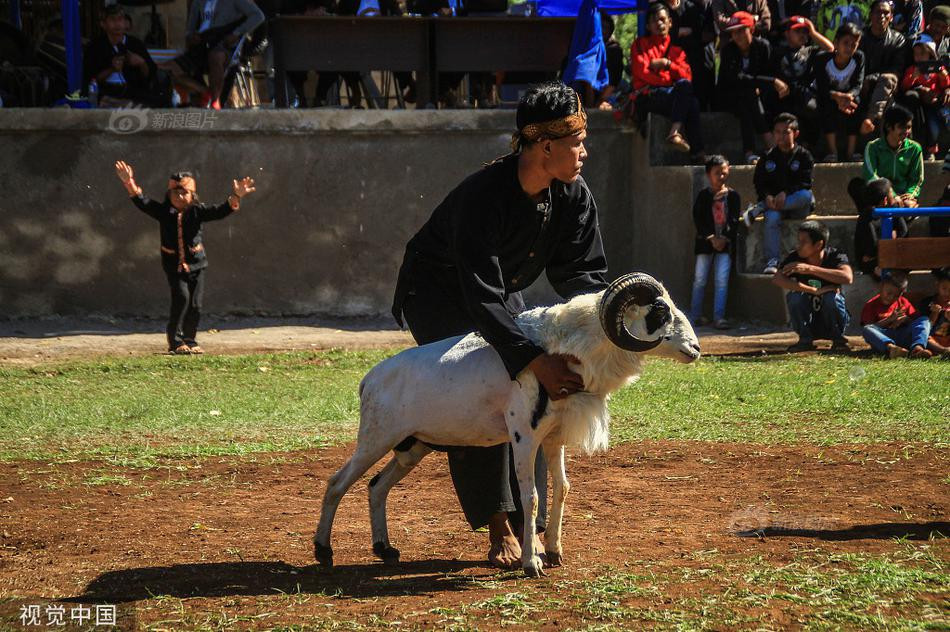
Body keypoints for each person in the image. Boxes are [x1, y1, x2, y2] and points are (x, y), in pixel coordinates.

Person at [390, 82, 608, 569]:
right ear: (545, 146)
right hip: (439, 289)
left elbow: (584, 276)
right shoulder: (482, 198)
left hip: (496, 288)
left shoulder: (573, 195)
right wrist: (532, 358)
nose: (583, 151)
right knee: (485, 389)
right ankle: (501, 526)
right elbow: (479, 294)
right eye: (575, 141)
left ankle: (526, 521)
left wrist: (583, 338)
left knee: (529, 391)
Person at [114, 161, 256, 354]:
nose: (180, 196)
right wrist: (128, 182)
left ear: (192, 195)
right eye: (175, 193)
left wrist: (237, 195)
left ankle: (190, 340)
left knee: (195, 304)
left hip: (197, 264)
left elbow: (221, 210)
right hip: (173, 264)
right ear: (169, 194)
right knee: (181, 298)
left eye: (184, 193)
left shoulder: (197, 212)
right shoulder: (164, 212)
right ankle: (175, 342)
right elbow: (142, 201)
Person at [630, 2, 705, 158]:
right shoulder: (639, 45)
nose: (659, 23)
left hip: (671, 94)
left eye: (663, 19)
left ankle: (676, 133)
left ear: (670, 23)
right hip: (648, 96)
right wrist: (670, 79)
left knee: (691, 98)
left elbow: (687, 76)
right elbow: (643, 73)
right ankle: (694, 149)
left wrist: (667, 64)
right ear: (648, 26)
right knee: (688, 99)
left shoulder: (677, 49)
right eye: (654, 20)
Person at [743, 112, 816, 273]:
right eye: (777, 132)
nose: (781, 136)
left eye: (786, 132)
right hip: (775, 205)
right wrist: (767, 196)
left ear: (795, 133)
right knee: (772, 217)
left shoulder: (804, 156)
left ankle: (760, 208)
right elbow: (760, 182)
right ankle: (772, 262)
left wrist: (786, 193)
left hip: (796, 206)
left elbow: (806, 182)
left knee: (806, 195)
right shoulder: (768, 157)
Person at [161, 0, 265, 109]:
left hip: (222, 44)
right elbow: (189, 30)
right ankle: (207, 92)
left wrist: (237, 33)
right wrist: (191, 36)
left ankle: (215, 100)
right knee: (168, 69)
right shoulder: (197, 2)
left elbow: (258, 16)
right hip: (201, 45)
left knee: (216, 56)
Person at [772, 220, 853, 351]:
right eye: (799, 241)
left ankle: (838, 340)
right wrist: (814, 290)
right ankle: (805, 340)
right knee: (795, 298)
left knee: (831, 298)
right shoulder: (795, 257)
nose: (798, 246)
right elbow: (778, 279)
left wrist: (810, 269)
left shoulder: (835, 255)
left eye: (803, 242)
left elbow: (847, 277)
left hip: (831, 319)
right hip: (809, 318)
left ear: (818, 245)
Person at [689, 155, 741, 328]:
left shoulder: (733, 196)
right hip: (705, 244)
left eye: (724, 173)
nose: (721, 177)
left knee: (721, 280)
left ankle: (719, 317)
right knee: (700, 279)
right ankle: (695, 315)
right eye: (717, 173)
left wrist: (723, 238)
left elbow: (734, 220)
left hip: (725, 246)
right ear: (708, 174)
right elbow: (698, 218)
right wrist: (711, 237)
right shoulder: (703, 196)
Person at [718, 11, 778, 163]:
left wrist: (762, 84)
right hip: (730, 95)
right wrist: (766, 82)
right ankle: (768, 139)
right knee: (747, 94)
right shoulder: (728, 50)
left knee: (748, 101)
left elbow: (769, 72)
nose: (737, 36)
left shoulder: (763, 47)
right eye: (733, 32)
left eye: (741, 30)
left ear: (751, 29)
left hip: (757, 97)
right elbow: (735, 78)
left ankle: (749, 152)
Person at [768, 15, 835, 144]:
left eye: (805, 32)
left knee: (811, 110)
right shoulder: (777, 52)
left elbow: (831, 49)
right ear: (787, 34)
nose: (802, 35)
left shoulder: (811, 51)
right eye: (797, 31)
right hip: (785, 96)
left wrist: (813, 32)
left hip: (805, 96)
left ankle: (808, 144)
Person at [83, 4, 158, 106]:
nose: (117, 24)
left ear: (126, 23)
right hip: (107, 91)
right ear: (103, 24)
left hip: (134, 92)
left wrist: (141, 63)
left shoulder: (136, 44)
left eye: (120, 19)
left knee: (154, 100)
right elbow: (91, 79)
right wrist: (112, 69)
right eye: (112, 20)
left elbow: (150, 75)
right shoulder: (94, 47)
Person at [814, 22, 866, 161]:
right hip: (829, 95)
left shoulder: (858, 57)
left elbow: (858, 84)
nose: (849, 48)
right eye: (846, 43)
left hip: (848, 96)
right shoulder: (822, 59)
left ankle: (851, 151)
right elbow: (821, 86)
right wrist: (835, 96)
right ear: (836, 43)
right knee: (826, 106)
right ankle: (832, 151)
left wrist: (849, 96)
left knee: (856, 104)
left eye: (854, 44)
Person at [857, 0, 909, 137]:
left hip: (886, 85)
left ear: (891, 17)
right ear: (870, 15)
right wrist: (864, 80)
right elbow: (855, 65)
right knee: (889, 103)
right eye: (877, 12)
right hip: (862, 86)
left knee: (888, 80)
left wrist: (872, 78)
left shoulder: (899, 39)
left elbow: (896, 70)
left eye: (886, 13)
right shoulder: (859, 38)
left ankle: (870, 120)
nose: (881, 16)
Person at [897, 35, 949, 158]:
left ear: (930, 54)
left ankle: (936, 149)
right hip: (921, 105)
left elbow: (945, 83)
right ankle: (930, 150)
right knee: (932, 127)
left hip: (936, 103)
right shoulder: (912, 69)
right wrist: (913, 78)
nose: (919, 57)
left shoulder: (936, 69)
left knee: (942, 121)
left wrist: (942, 75)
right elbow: (904, 86)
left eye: (922, 53)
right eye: (916, 54)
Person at [862, 104, 924, 208]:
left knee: (908, 205)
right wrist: (891, 194)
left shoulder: (915, 149)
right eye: (902, 127)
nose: (906, 132)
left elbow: (917, 179)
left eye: (909, 127)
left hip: (904, 196)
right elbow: (871, 175)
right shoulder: (873, 147)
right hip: (882, 195)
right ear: (889, 127)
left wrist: (910, 195)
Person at [861, 270, 933, 357]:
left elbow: (916, 322)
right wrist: (889, 319)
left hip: (903, 336)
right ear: (881, 287)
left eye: (896, 295)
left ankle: (917, 348)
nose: (891, 297)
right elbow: (871, 327)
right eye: (889, 293)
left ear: (901, 294)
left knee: (924, 319)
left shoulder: (903, 302)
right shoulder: (871, 305)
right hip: (883, 337)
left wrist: (905, 319)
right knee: (867, 329)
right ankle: (892, 349)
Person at [850, 176, 905, 278]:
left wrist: (889, 243)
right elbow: (870, 250)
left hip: (892, 253)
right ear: (885, 200)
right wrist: (891, 238)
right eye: (892, 194)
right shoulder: (867, 218)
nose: (895, 196)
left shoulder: (894, 209)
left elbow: (903, 232)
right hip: (875, 260)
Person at [919, 267, 950, 357]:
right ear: (937, 285)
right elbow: (924, 328)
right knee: (924, 338)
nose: (947, 293)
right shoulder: (928, 303)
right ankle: (944, 351)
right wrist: (934, 314)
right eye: (944, 288)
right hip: (933, 339)